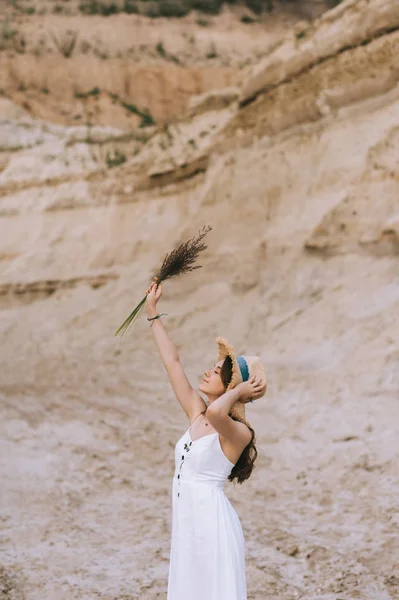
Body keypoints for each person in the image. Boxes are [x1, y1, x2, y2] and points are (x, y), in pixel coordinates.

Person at [145, 277, 267, 600]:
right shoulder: (197, 414)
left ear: (229, 387)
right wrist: (152, 312)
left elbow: (218, 415)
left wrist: (240, 390)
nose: (208, 372)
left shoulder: (238, 432)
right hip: (188, 526)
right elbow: (172, 363)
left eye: (217, 371)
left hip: (212, 527)